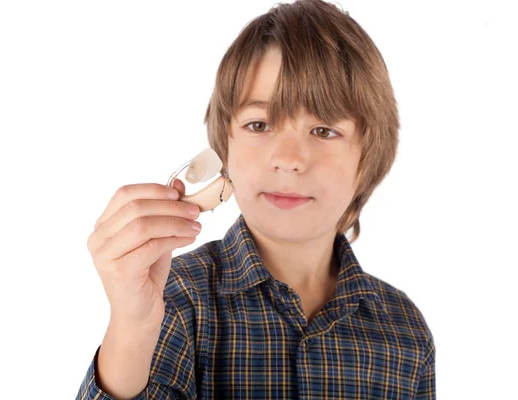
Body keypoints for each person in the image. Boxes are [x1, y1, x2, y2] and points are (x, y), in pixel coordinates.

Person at [76, 0, 435, 398]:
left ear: (368, 156)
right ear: (224, 149)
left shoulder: (404, 329)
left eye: (323, 130)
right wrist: (132, 325)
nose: (288, 159)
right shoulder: (174, 299)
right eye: (259, 124)